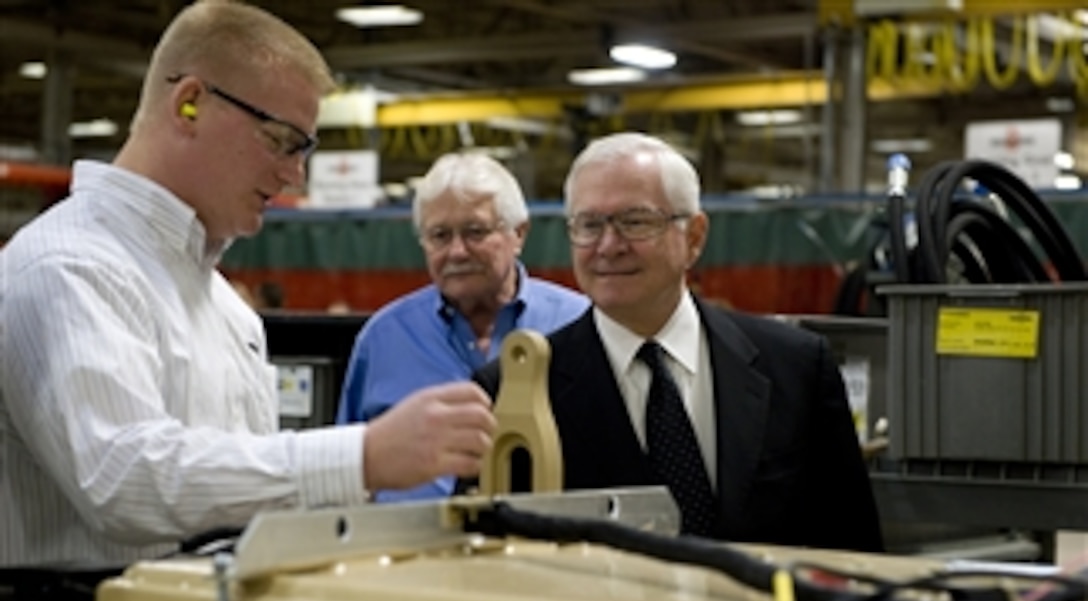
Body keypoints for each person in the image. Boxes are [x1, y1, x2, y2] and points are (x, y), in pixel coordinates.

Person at [0, 0, 496, 569]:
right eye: (282, 140)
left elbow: (241, 507)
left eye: (305, 150)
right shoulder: (70, 266)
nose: (294, 175)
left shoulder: (225, 310)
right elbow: (123, 478)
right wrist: (362, 456)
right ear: (189, 103)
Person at [470, 132, 883, 552]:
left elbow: (855, 549)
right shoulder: (513, 389)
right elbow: (485, 565)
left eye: (635, 222)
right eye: (589, 225)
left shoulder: (795, 368)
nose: (609, 247)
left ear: (694, 236)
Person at [336, 151, 588, 502]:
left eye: (475, 231)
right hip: (407, 551)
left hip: (546, 548)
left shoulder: (579, 325)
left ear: (519, 234)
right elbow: (345, 474)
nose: (456, 252)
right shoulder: (383, 339)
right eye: (439, 235)